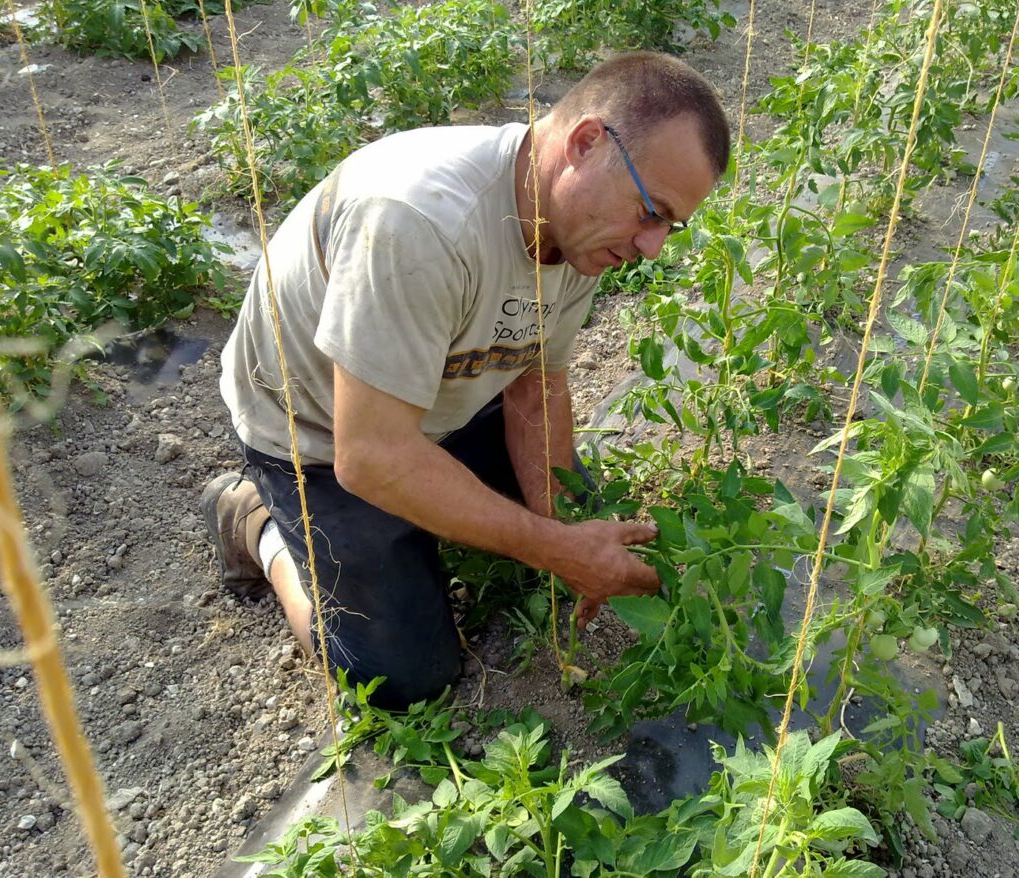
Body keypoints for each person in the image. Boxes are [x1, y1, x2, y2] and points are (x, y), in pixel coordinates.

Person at [202, 51, 731, 708]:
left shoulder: (579, 228)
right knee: (401, 678)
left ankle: (430, 526)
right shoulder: (418, 219)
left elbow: (536, 387)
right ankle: (255, 522)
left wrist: (562, 528)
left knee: (574, 511)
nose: (652, 247)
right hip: (320, 436)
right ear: (586, 142)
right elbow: (368, 456)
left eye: (669, 227)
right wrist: (555, 550)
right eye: (650, 211)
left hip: (440, 403)